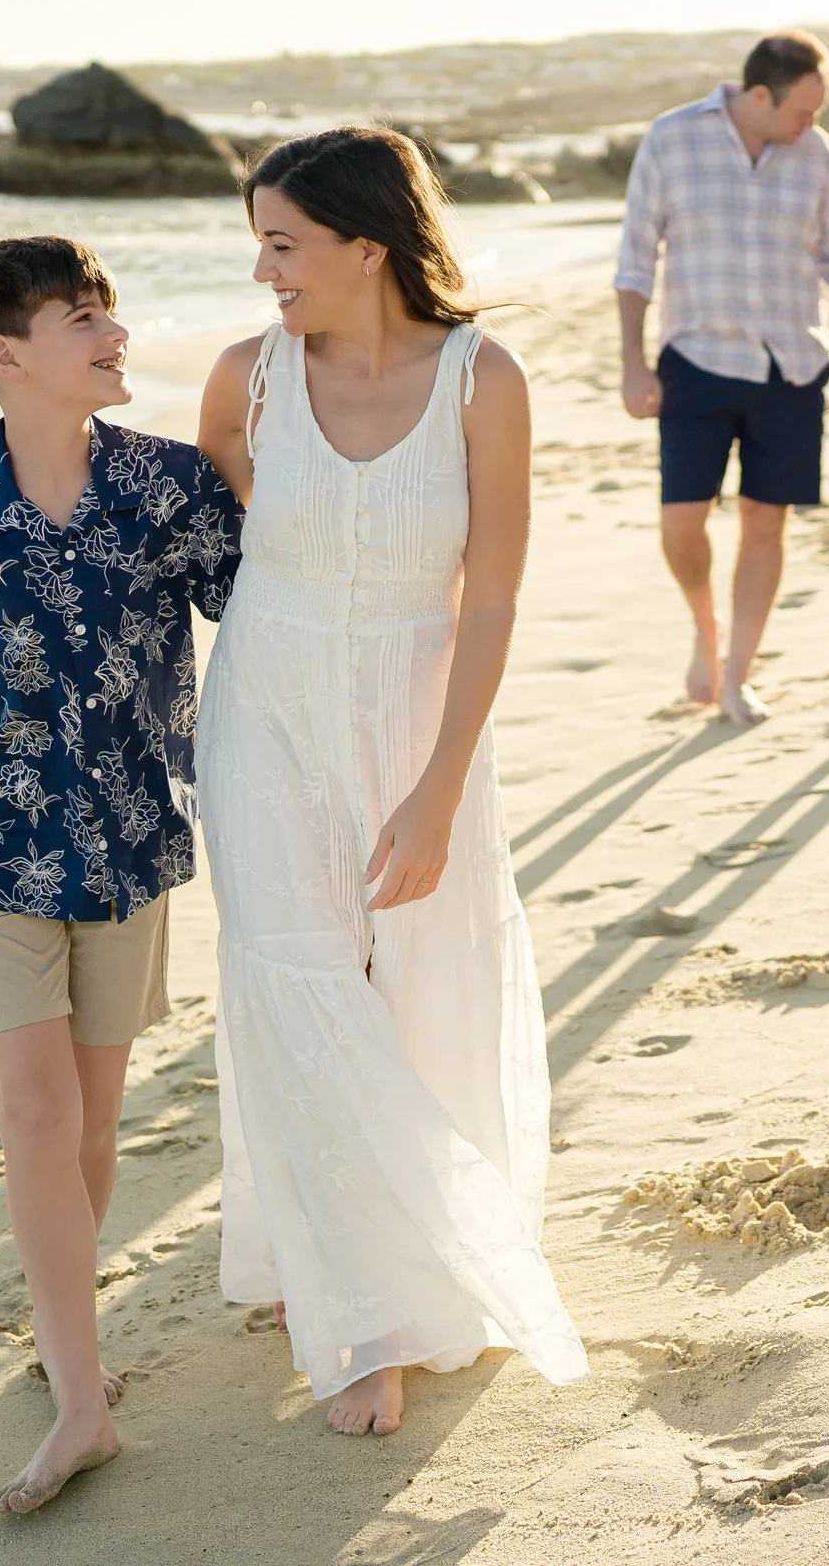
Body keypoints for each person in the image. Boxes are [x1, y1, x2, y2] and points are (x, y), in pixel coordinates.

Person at [193, 127, 587, 1437]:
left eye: (284, 242)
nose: (263, 268)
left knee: (419, 987)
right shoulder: (246, 380)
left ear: (369, 246)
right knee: (300, 981)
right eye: (258, 239)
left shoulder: (488, 380)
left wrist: (435, 784)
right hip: (267, 703)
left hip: (424, 718)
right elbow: (246, 544)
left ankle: (427, 1265)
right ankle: (359, 1313)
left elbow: (492, 596)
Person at [0, 235, 240, 1513]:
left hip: (132, 840)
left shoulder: (174, 487)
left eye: (112, 311)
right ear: (7, 356)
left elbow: (270, 611)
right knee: (32, 1110)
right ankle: (82, 1396)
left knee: (90, 1119)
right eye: (85, 317)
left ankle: (60, 1331)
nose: (116, 333)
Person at [615, 30, 829, 726]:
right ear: (759, 95)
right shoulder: (672, 139)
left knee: (766, 524)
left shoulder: (814, 153)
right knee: (682, 522)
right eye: (804, 110)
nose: (814, 124)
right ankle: (706, 636)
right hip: (696, 360)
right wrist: (631, 360)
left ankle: (736, 673)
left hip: (790, 364)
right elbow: (635, 259)